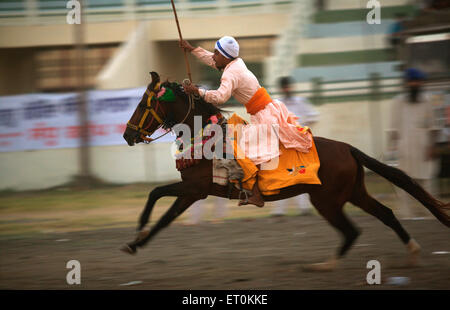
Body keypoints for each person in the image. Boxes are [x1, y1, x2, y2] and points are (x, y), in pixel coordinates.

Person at [179, 36, 313, 208]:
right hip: (265, 111)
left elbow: (220, 97)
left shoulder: (230, 73)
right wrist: (192, 49)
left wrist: (197, 90)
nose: (213, 56)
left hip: (264, 117)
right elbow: (213, 61)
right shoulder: (235, 64)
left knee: (237, 147)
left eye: (216, 53)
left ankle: (256, 194)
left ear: (226, 56)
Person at [388, 68, 439, 218]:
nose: (414, 84)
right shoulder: (398, 101)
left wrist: (432, 146)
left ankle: (432, 215)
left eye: (417, 81)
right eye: (412, 81)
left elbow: (434, 126)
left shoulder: (429, 100)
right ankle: (407, 216)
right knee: (404, 184)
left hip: (424, 149)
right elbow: (393, 127)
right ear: (407, 83)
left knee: (428, 183)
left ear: (421, 83)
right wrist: (392, 149)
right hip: (405, 149)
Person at [271, 77, 319, 217]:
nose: (287, 89)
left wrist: (302, 129)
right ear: (281, 88)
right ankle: (279, 210)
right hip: (283, 145)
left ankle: (304, 208)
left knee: (300, 174)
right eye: (284, 87)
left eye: (288, 86)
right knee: (281, 175)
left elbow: (314, 116)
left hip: (299, 144)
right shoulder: (277, 103)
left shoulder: (300, 101)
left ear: (291, 87)